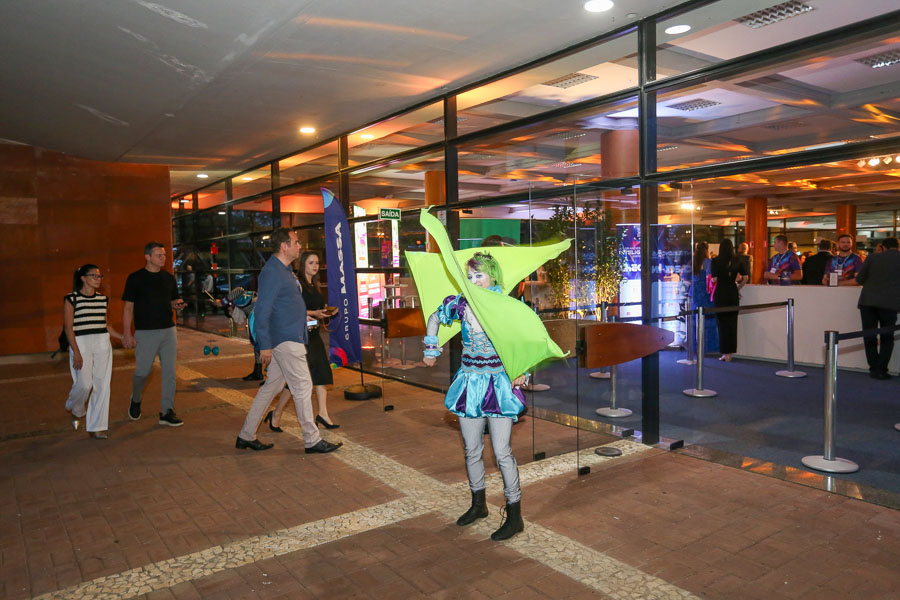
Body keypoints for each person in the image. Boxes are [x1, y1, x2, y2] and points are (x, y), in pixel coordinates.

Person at [422, 252, 526, 541]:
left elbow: (523, 339)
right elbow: (434, 317)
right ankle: (478, 505)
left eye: (478, 275)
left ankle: (515, 515)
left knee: (502, 452)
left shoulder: (505, 305)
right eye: (469, 276)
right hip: (469, 383)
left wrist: (522, 370)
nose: (473, 280)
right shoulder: (461, 303)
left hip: (499, 384)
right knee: (472, 449)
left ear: (492, 276)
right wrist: (431, 349)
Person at [235, 228, 342, 453]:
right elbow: (262, 310)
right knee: (303, 386)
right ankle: (312, 440)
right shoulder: (273, 272)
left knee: (271, 388)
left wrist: (310, 315)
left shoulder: (284, 270)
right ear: (284, 246)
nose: (299, 246)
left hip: (288, 336)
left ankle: (246, 435)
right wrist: (264, 345)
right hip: (285, 340)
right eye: (296, 242)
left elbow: (283, 307)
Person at [265, 250, 339, 432]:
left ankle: (323, 414)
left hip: (314, 335)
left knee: (321, 374)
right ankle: (276, 414)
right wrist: (315, 313)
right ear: (303, 264)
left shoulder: (315, 285)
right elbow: (291, 310)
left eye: (317, 263)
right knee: (296, 381)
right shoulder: (296, 285)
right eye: (311, 263)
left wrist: (326, 312)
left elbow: (316, 310)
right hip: (299, 336)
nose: (315, 266)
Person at [122, 242, 186, 427]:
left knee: (170, 372)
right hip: (145, 333)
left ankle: (167, 411)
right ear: (147, 257)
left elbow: (172, 301)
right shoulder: (135, 278)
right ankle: (136, 398)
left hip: (168, 330)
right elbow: (128, 308)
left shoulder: (168, 278)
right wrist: (127, 334)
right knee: (142, 372)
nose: (163, 258)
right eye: (159, 255)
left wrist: (177, 304)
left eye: (164, 255)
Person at [64, 264, 124, 438]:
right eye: (94, 276)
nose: (98, 279)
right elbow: (68, 328)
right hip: (80, 342)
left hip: (102, 341)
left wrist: (123, 337)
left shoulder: (103, 299)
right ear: (83, 278)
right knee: (84, 384)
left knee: (102, 385)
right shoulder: (71, 299)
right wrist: (76, 351)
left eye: (100, 276)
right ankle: (75, 407)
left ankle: (96, 427)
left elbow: (106, 325)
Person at [855, 237, 900, 380]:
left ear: (883, 247)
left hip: (868, 302)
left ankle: (873, 368)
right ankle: (882, 369)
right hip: (890, 304)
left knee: (870, 334)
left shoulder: (872, 258)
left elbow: (859, 279)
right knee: (887, 336)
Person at [709, 240, 749, 362]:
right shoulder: (738, 260)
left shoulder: (716, 261)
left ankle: (724, 353)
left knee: (722, 324)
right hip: (732, 293)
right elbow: (745, 278)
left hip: (721, 294)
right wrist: (738, 288)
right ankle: (730, 353)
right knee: (732, 324)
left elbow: (714, 279)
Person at [691, 242, 719, 354]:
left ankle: (696, 346)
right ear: (707, 250)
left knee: (696, 320)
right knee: (710, 320)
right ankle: (709, 347)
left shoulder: (692, 261)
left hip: (695, 292)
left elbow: (684, 276)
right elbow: (712, 277)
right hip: (707, 292)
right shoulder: (709, 262)